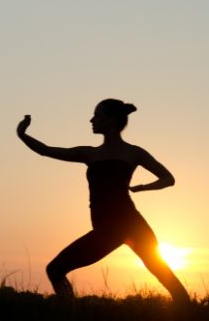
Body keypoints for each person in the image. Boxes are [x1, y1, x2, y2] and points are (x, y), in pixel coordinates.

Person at [16, 99, 190, 303]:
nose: (91, 120)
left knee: (163, 274)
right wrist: (23, 135)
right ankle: (71, 312)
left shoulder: (133, 152)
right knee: (55, 269)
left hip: (130, 225)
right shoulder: (90, 153)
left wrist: (143, 187)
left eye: (97, 115)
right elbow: (46, 150)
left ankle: (190, 315)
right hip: (106, 229)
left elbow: (168, 179)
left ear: (111, 120)